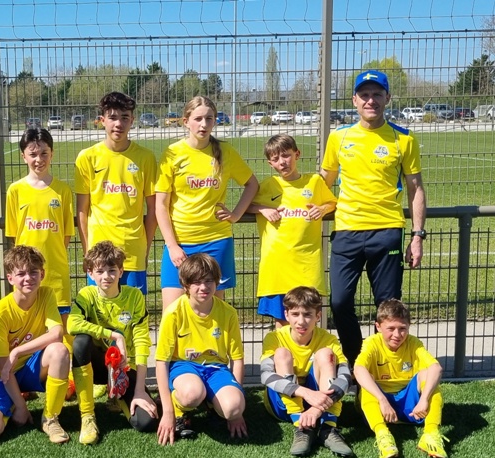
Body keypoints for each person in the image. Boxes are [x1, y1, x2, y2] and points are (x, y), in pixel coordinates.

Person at [321, 70, 427, 366]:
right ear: (354, 100)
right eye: (364, 95)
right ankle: (357, 363)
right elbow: (323, 181)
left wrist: (418, 236)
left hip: (387, 232)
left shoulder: (403, 139)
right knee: (340, 302)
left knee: (388, 308)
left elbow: (416, 188)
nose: (371, 100)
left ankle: (384, 367)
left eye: (377, 94)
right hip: (347, 231)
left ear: (387, 98)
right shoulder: (339, 137)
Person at [156, 96, 259, 310]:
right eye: (198, 119)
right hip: (181, 244)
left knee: (212, 313)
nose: (204, 124)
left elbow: (252, 184)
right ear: (186, 121)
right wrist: (172, 246)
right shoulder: (173, 153)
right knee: (172, 313)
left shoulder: (226, 152)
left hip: (216, 241)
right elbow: (161, 205)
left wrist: (236, 215)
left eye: (209, 118)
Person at [0, 246, 71, 445]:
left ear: (42, 274)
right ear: (10, 278)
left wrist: (17, 350)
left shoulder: (47, 294)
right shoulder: (0, 311)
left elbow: (57, 334)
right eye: (21, 274)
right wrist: (21, 407)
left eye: (33, 272)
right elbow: (3, 368)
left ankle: (50, 418)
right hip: (1, 376)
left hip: (30, 368)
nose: (28, 278)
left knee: (59, 351)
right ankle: (12, 403)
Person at [67, 241, 157, 444]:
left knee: (146, 422)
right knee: (81, 342)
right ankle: (87, 415)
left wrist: (140, 389)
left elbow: (142, 341)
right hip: (97, 367)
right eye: (100, 271)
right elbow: (72, 324)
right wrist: (114, 335)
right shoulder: (87, 295)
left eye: (112, 270)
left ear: (121, 271)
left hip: (124, 368)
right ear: (90, 273)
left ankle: (117, 395)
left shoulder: (134, 296)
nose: (106, 276)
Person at [155, 253, 247, 445]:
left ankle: (212, 403)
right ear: (185, 285)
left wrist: (237, 413)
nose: (204, 287)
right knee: (192, 394)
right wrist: (168, 412)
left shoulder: (228, 313)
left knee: (233, 407)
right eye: (196, 282)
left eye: (208, 281)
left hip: (216, 368)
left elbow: (237, 358)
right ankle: (179, 408)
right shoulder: (173, 313)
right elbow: (161, 361)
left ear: (217, 282)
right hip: (183, 366)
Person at [74, 92, 157, 295]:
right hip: (99, 255)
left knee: (132, 311)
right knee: (99, 311)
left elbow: (153, 209)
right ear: (102, 120)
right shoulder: (87, 158)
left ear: (132, 120)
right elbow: (82, 211)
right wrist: (87, 252)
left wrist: (144, 249)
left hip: (133, 251)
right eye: (112, 117)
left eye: (124, 117)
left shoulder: (145, 158)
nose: (118, 123)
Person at [249, 135, 336, 328]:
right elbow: (246, 206)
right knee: (283, 324)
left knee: (306, 322)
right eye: (275, 159)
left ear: (297, 154)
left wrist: (322, 209)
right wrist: (262, 209)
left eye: (286, 155)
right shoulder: (269, 185)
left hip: (307, 267)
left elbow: (332, 202)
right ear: (270, 163)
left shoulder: (314, 182)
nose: (282, 162)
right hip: (277, 267)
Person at [260, 286, 354, 458]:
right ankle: (301, 427)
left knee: (326, 354)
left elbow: (346, 377)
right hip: (282, 405)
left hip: (319, 404)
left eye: (308, 314)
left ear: (318, 316)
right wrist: (305, 393)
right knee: (281, 354)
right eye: (295, 314)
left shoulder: (328, 339)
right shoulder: (274, 338)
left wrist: (316, 408)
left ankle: (328, 427)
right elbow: (265, 375)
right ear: (286, 315)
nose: (301, 321)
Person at [354, 299, 447, 458]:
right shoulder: (372, 343)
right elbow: (358, 369)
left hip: (411, 406)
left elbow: (436, 368)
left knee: (428, 375)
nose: (397, 335)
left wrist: (424, 400)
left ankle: (431, 434)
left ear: (408, 327)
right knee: (367, 381)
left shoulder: (414, 343)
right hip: (381, 405)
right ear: (378, 327)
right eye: (391, 329)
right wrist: (382, 400)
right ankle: (383, 435)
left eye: (402, 329)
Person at [6, 128, 74, 325]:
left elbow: (66, 234)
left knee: (61, 326)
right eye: (33, 154)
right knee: (29, 326)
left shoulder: (62, 190)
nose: (39, 159)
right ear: (23, 156)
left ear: (52, 153)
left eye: (44, 153)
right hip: (26, 274)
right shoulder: (15, 190)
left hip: (55, 272)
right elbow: (13, 235)